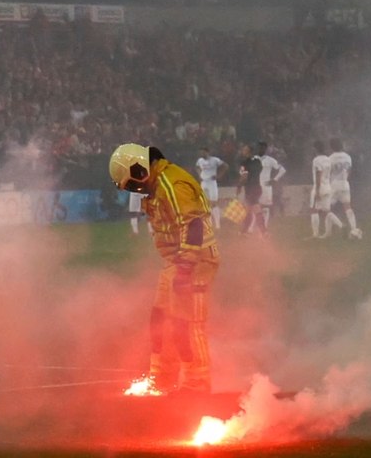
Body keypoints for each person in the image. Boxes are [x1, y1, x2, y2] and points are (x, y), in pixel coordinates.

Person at [109, 143, 218, 395]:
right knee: (160, 319)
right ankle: (162, 377)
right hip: (176, 261)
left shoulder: (173, 184)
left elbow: (193, 225)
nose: (135, 190)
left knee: (188, 323)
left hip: (196, 260)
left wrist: (185, 268)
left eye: (132, 184)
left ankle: (197, 380)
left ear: (139, 170)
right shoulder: (158, 183)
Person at [328, 138, 362, 239]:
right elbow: (349, 170)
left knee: (326, 208)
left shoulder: (330, 158)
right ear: (341, 145)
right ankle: (354, 230)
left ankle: (338, 226)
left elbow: (328, 173)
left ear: (331, 147)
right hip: (345, 183)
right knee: (348, 207)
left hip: (334, 184)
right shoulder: (348, 157)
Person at [309, 140, 342, 239]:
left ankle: (315, 234)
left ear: (315, 149)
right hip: (328, 187)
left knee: (313, 210)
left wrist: (317, 191)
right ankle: (341, 225)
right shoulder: (328, 159)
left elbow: (319, 174)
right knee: (327, 211)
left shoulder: (316, 160)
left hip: (319, 187)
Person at [256, 142, 286, 232]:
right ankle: (258, 228)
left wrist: (274, 179)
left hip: (266, 186)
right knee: (256, 207)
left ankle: (264, 229)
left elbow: (282, 170)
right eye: (259, 147)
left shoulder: (270, 160)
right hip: (255, 186)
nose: (260, 149)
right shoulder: (253, 159)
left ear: (265, 149)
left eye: (262, 148)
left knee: (265, 207)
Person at [236, 144, 264, 236]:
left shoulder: (245, 163)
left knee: (254, 209)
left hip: (250, 188)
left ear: (248, 152)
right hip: (257, 187)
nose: (243, 151)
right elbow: (259, 171)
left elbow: (244, 176)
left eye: (244, 150)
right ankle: (245, 230)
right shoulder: (258, 162)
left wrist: (239, 186)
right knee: (250, 209)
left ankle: (263, 231)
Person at [195, 147, 227, 225]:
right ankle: (209, 223)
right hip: (204, 182)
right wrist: (200, 174)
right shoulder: (200, 161)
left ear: (207, 152)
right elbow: (196, 167)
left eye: (203, 152)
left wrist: (219, 176)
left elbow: (225, 166)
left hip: (212, 182)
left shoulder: (215, 160)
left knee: (214, 203)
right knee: (205, 203)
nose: (201, 154)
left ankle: (217, 224)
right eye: (200, 152)